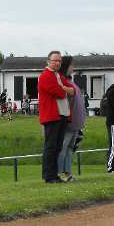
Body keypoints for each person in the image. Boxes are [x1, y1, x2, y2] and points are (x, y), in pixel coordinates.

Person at [38, 51, 75, 183]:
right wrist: (64, 89)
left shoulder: (58, 75)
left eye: (59, 61)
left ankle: (54, 175)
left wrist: (63, 87)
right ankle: (49, 176)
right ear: (48, 61)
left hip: (62, 115)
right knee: (51, 147)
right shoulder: (45, 76)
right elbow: (60, 93)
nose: (58, 63)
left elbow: (73, 91)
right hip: (52, 116)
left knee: (58, 147)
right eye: (55, 61)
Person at [57, 56, 85, 182]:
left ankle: (68, 173)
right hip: (68, 123)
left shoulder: (71, 82)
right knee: (62, 149)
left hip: (76, 124)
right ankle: (58, 174)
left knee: (69, 149)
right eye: (71, 65)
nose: (73, 67)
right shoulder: (63, 83)